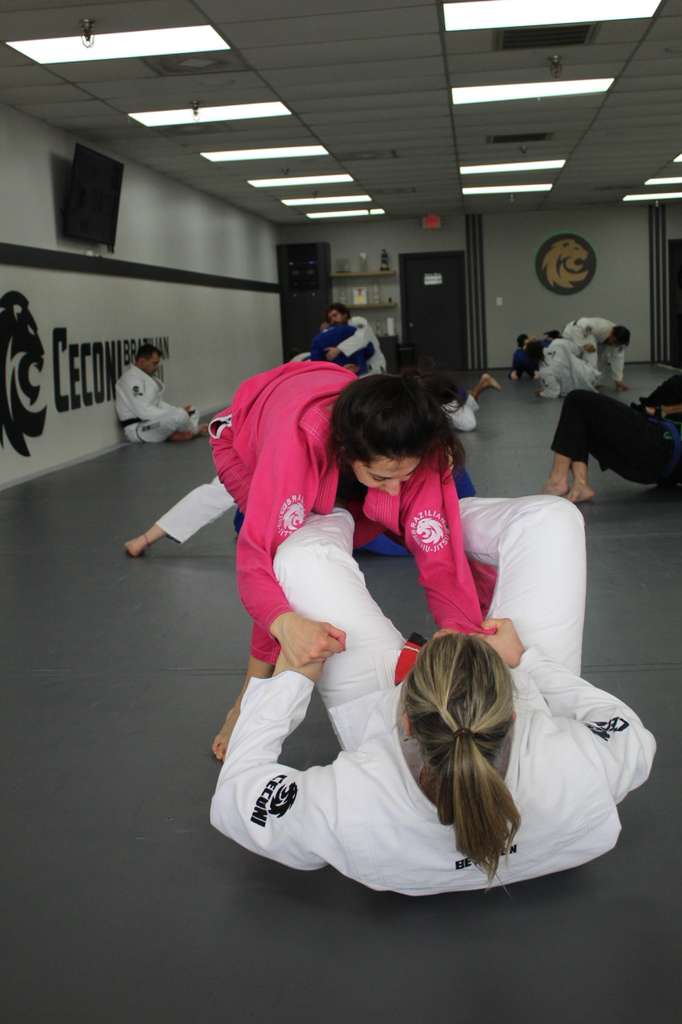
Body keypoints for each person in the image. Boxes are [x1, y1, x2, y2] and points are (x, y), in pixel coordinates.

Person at [210, 497, 655, 894]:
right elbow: (624, 728)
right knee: (552, 517)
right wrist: (527, 661)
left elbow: (236, 793)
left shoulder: (353, 803)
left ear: (402, 716)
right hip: (513, 685)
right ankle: (425, 516)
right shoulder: (580, 766)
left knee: (301, 556)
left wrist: (292, 676)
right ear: (514, 713)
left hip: (382, 731)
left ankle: (373, 509)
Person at [209, 361, 498, 681]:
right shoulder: (295, 448)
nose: (396, 490)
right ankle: (249, 691)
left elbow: (441, 558)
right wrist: (284, 622)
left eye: (406, 476)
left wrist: (461, 631)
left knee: (428, 528)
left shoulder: (412, 445)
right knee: (287, 557)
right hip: (244, 433)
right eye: (382, 477)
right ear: (347, 453)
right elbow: (256, 556)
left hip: (333, 403)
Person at [542, 384, 682, 503]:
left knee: (576, 400)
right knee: (583, 420)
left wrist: (661, 410)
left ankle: (557, 480)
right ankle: (580, 485)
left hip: (661, 445)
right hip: (658, 469)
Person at [115, 344, 208, 443]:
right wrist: (177, 413)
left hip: (154, 422)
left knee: (192, 410)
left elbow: (159, 404)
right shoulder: (130, 379)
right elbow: (143, 411)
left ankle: (178, 433)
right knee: (180, 415)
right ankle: (193, 431)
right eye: (154, 363)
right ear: (142, 361)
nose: (157, 367)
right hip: (140, 429)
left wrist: (176, 410)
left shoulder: (145, 378)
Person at [562, 318, 631, 391]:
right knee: (591, 354)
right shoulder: (601, 327)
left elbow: (618, 359)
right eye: (614, 342)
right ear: (612, 334)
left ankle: (594, 383)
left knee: (602, 358)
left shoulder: (619, 341)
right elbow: (579, 324)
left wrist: (618, 380)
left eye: (617, 344)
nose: (614, 345)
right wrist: (582, 344)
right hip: (573, 332)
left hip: (594, 337)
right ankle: (587, 384)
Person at [528, 336, 601, 399]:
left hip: (581, 389)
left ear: (533, 358)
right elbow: (576, 349)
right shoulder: (557, 344)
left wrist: (542, 393)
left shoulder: (545, 372)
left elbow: (554, 393)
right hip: (591, 374)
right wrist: (583, 347)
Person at [323, 303, 387, 374]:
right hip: (355, 370)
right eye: (330, 318)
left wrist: (338, 349)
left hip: (374, 367)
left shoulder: (357, 321)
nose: (333, 320)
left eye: (335, 315)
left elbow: (361, 338)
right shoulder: (338, 332)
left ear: (345, 314)